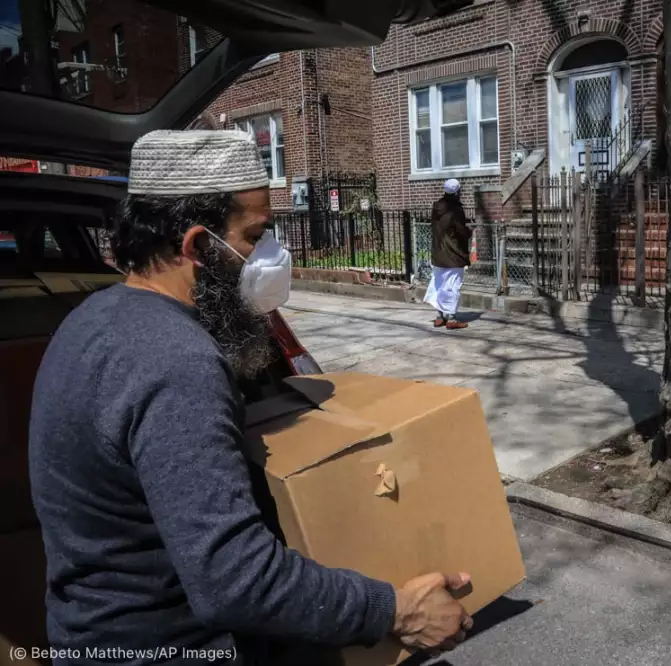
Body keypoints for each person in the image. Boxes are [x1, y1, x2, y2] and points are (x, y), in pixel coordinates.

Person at [28, 130, 472, 666]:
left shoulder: (90, 318)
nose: (271, 256)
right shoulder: (175, 361)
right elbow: (235, 579)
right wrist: (395, 611)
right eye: (256, 236)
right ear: (195, 246)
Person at [424, 178, 472, 330]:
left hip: (438, 253)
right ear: (457, 192)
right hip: (453, 253)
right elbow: (459, 231)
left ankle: (440, 316)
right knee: (453, 286)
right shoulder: (456, 210)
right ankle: (451, 318)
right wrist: (468, 232)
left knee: (439, 284)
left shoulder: (436, 207)